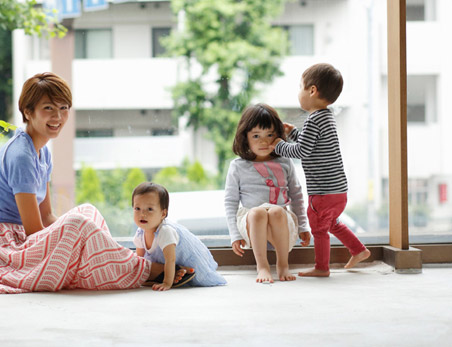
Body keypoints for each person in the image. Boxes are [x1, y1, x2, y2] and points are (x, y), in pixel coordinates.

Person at [0, 72, 187, 294]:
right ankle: (147, 269)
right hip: (0, 248)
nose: (58, 117)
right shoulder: (21, 155)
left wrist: (79, 238)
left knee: (86, 213)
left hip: (19, 238)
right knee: (77, 224)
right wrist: (73, 237)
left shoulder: (42, 152)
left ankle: (127, 267)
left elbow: (47, 216)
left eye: (63, 108)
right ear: (27, 112)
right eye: (48, 108)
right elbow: (33, 230)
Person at [272, 63, 370, 277]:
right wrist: (294, 133)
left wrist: (279, 144)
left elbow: (302, 152)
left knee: (319, 228)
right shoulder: (326, 118)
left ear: (312, 90)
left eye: (300, 87)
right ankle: (359, 250)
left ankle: (322, 268)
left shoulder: (313, 120)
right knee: (332, 223)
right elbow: (313, 146)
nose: (299, 92)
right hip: (338, 191)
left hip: (323, 193)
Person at [224, 103, 311, 283]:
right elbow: (231, 201)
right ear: (245, 137)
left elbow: (296, 196)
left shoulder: (285, 162)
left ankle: (283, 265)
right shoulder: (237, 166)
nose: (263, 141)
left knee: (277, 210)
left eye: (269, 135)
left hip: (281, 221)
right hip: (251, 222)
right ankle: (262, 266)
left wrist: (303, 226)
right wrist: (234, 234)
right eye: (256, 136)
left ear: (278, 135)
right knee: (257, 212)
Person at [132, 182, 227, 290]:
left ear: (163, 214)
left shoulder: (165, 231)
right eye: (137, 208)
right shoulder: (140, 232)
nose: (142, 214)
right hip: (164, 261)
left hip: (186, 260)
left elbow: (170, 259)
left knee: (174, 265)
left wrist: (167, 283)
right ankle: (164, 275)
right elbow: (140, 259)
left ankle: (177, 274)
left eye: (149, 209)